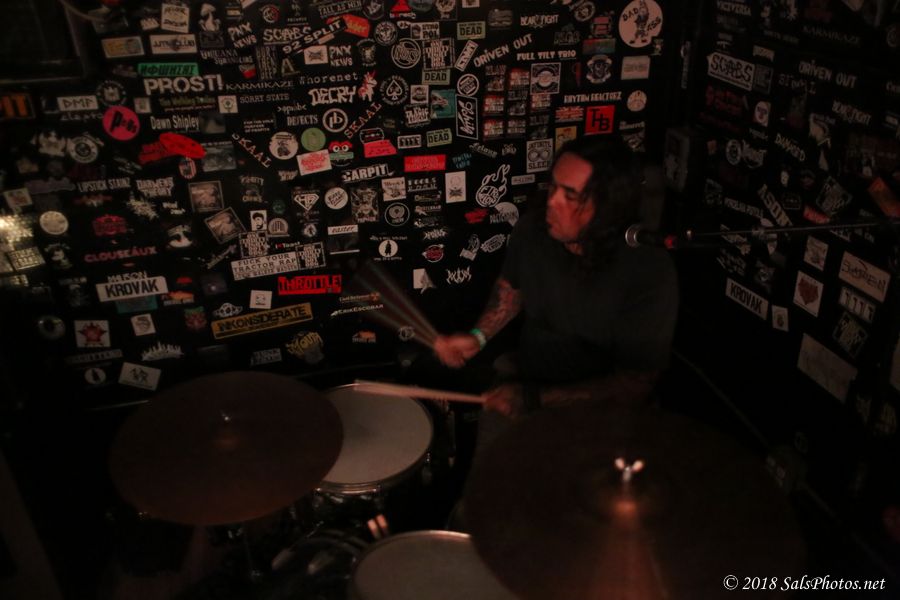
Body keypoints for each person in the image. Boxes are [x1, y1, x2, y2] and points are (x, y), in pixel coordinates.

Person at [433, 136, 678, 439]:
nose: (552, 201)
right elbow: (511, 292)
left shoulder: (648, 269)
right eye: (554, 187)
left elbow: (635, 385)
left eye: (570, 196)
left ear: (608, 206)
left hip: (603, 418)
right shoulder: (533, 230)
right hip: (529, 381)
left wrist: (535, 399)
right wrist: (478, 337)